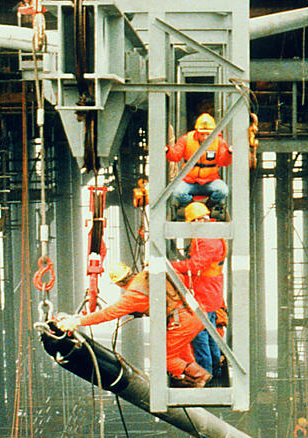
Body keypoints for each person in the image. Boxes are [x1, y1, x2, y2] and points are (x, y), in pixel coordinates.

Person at [56, 261, 210, 386]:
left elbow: (108, 313)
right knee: (178, 351)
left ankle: (200, 376)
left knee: (160, 357)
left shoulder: (133, 295)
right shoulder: (147, 275)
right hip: (196, 312)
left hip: (182, 321)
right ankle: (191, 380)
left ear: (118, 283)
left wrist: (77, 321)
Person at [170, 201, 226, 380]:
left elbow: (195, 266)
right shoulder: (212, 232)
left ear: (194, 221)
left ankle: (206, 376)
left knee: (200, 337)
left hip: (206, 293)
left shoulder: (208, 240)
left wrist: (170, 265)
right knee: (211, 335)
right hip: (210, 290)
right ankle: (215, 372)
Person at [166, 113, 232, 219]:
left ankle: (206, 208)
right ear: (197, 132)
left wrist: (229, 153)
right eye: (202, 134)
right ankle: (195, 208)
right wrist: (168, 150)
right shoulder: (186, 139)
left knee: (223, 190)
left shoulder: (219, 142)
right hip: (189, 181)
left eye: (208, 134)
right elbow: (176, 155)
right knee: (177, 192)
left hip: (210, 181)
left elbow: (224, 161)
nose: (205, 137)